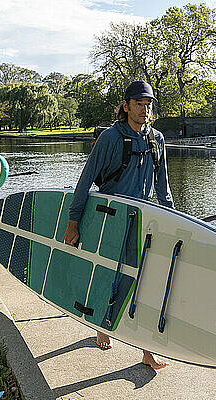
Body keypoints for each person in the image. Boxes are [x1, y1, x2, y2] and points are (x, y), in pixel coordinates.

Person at [64, 81, 174, 370]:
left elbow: (163, 185)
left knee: (146, 283)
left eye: (148, 104)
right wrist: (73, 222)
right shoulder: (110, 138)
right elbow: (87, 179)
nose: (145, 108)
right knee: (109, 277)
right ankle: (103, 324)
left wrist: (172, 218)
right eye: (139, 103)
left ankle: (147, 352)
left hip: (144, 219)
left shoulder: (157, 139)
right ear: (126, 106)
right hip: (111, 217)